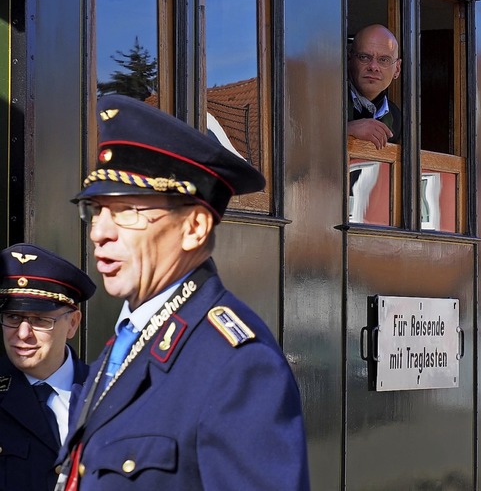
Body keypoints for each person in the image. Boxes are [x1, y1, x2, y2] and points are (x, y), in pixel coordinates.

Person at [56, 94, 310, 491]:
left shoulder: (238, 367)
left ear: (194, 228)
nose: (99, 232)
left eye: (127, 212)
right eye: (97, 209)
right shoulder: (129, 341)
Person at [0, 243, 96, 491]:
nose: (22, 334)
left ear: (73, 323)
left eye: (40, 320)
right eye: (12, 317)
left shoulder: (109, 395)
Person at [347, 24, 402, 149]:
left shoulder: (396, 117)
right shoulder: (327, 102)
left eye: (383, 60)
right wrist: (346, 130)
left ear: (397, 69)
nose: (373, 67)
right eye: (364, 57)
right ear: (349, 60)